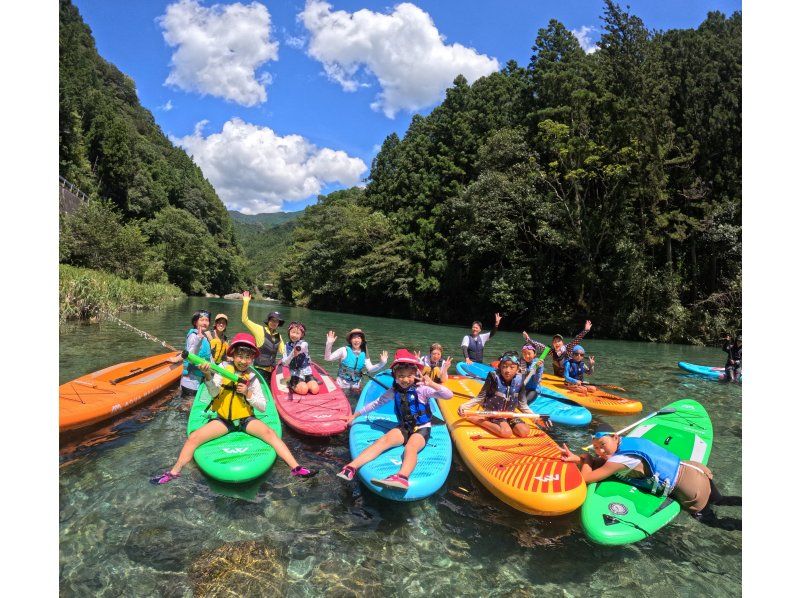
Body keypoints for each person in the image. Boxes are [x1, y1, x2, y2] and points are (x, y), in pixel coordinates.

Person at [152, 333, 318, 484]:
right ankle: (174, 472)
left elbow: (262, 406)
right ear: (233, 355)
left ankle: (296, 468)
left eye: (248, 357)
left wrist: (248, 393)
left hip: (246, 419)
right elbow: (213, 392)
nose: (243, 361)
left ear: (252, 359)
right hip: (224, 420)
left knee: (270, 434)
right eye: (240, 356)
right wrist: (208, 375)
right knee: (194, 438)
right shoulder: (222, 370)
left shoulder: (252, 377)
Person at [559, 423, 741, 528]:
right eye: (595, 447)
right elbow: (610, 463)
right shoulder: (630, 442)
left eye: (602, 445)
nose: (599, 451)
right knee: (719, 500)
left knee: (711, 521)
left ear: (615, 437)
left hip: (691, 488)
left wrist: (586, 459)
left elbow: (586, 479)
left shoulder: (622, 458)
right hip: (697, 470)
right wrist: (577, 459)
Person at [337, 349, 454, 490]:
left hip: (422, 428)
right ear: (395, 377)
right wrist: (355, 416)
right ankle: (351, 467)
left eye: (409, 376)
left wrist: (431, 384)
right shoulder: (394, 391)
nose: (405, 380)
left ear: (416, 374)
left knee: (411, 447)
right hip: (403, 427)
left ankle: (402, 478)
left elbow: (448, 395)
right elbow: (376, 403)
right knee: (383, 440)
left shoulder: (423, 390)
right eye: (401, 376)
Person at [458, 351, 552, 438]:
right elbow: (480, 397)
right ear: (500, 367)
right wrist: (464, 407)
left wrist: (536, 418)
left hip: (509, 413)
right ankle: (477, 420)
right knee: (506, 432)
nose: (507, 370)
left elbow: (523, 404)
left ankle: (507, 422)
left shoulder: (520, 380)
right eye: (504, 366)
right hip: (493, 413)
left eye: (512, 367)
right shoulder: (493, 377)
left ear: (517, 369)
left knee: (524, 431)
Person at [324, 328, 388, 394]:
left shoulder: (364, 353)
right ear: (350, 340)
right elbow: (328, 358)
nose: (356, 340)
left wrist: (382, 363)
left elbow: (370, 369)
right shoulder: (344, 350)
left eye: (359, 338)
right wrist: (329, 344)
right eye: (354, 338)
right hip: (341, 385)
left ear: (362, 341)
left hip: (356, 386)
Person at [240, 290, 285, 379]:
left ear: (279, 324)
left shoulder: (278, 336)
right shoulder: (260, 330)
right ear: (268, 321)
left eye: (276, 321)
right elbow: (245, 320)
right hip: (259, 370)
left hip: (272, 370)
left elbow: (283, 351)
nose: (274, 323)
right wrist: (246, 301)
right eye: (272, 320)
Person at [179, 310, 213, 398]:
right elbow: (190, 355)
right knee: (187, 409)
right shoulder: (193, 336)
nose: (205, 323)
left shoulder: (204, 336)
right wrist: (198, 339)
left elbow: (209, 357)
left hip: (200, 380)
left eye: (207, 320)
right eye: (202, 320)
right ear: (195, 322)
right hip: (191, 383)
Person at [282, 321, 319, 395]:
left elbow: (301, 347)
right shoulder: (286, 346)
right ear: (289, 332)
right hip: (296, 373)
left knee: (315, 390)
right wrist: (292, 354)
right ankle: (290, 382)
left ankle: (304, 381)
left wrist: (297, 349)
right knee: (303, 390)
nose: (294, 335)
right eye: (293, 332)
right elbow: (285, 363)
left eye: (297, 333)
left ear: (301, 335)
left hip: (306, 372)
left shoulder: (304, 344)